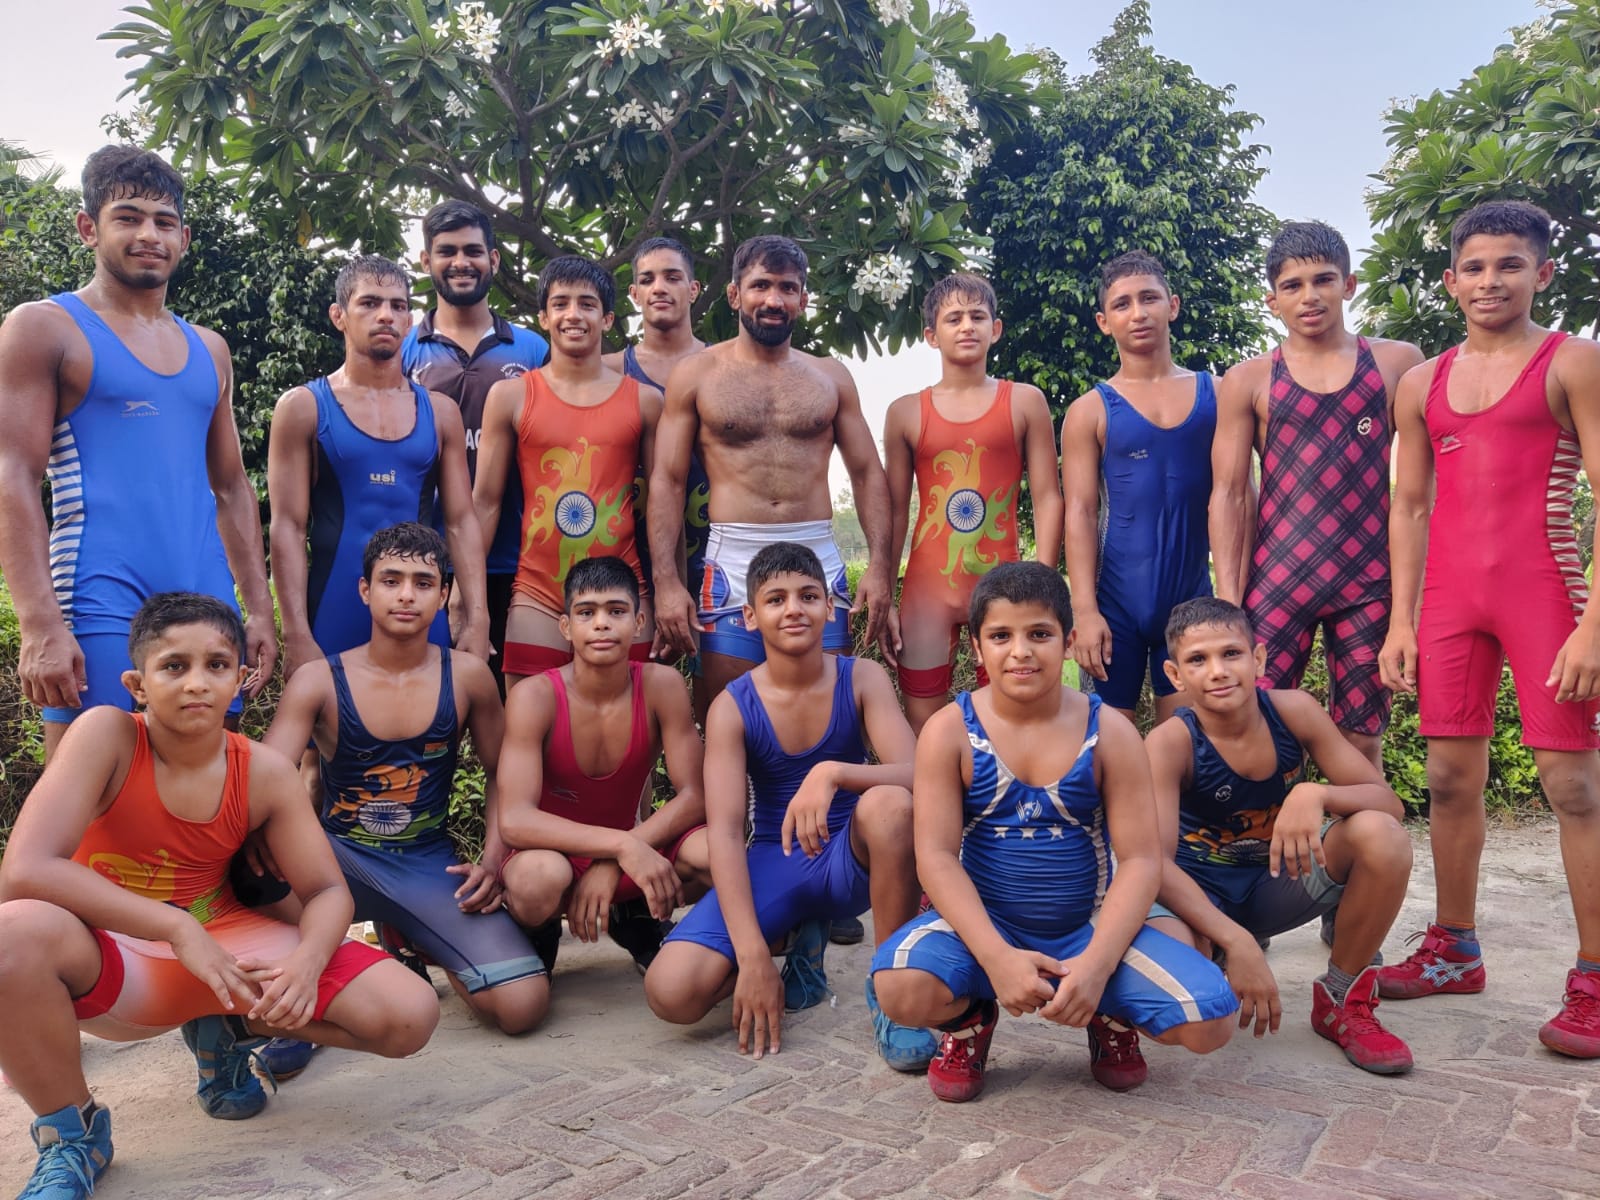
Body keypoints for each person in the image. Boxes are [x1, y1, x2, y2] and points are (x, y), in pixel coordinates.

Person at [0, 594, 438, 1200]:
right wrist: (176, 928)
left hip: (226, 955)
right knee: (11, 935)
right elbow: (24, 871)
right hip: (113, 955)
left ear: (239, 679)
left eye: (216, 665)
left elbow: (325, 891)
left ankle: (228, 1032)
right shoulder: (107, 736)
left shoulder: (263, 771)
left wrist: (306, 965)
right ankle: (74, 1137)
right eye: (173, 666)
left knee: (409, 1015)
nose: (196, 683)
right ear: (137, 685)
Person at [869, 562, 1236, 1103]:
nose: (1020, 652)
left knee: (1211, 1023)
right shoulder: (950, 731)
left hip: (1086, 928)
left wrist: (1097, 969)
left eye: (1039, 634)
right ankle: (969, 1023)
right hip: (986, 928)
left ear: (1068, 641)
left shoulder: (1109, 731)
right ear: (976, 648)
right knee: (898, 987)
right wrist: (996, 957)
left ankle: (1108, 1014)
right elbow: (936, 856)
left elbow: (1140, 860)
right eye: (1001, 636)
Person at [1378, 199, 1600, 1057]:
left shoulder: (1572, 362)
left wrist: (1592, 628)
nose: (1490, 281)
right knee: (1446, 778)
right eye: (1473, 266)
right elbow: (1409, 505)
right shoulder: (1421, 384)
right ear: (1450, 280)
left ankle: (1593, 977)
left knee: (1573, 786)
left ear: (1543, 272)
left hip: (1546, 593)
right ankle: (1454, 949)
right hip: (1449, 602)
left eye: (1509, 264)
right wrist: (1401, 621)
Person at [0, 146, 275, 761]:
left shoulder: (210, 349)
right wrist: (39, 623)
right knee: (90, 786)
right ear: (88, 227)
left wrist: (258, 609)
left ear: (184, 238)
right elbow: (13, 475)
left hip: (206, 593)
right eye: (127, 217)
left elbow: (231, 487)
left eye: (164, 221)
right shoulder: (44, 328)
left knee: (208, 783)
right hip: (99, 594)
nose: (149, 235)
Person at [247, 524, 548, 1079]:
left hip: (426, 863)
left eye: (423, 582)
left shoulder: (468, 677)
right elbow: (263, 780)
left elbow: (505, 777)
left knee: (521, 1005)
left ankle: (420, 938)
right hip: (334, 862)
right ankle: (309, 990)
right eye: (391, 580)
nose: (406, 595)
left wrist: (493, 859)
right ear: (365, 590)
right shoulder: (318, 680)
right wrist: (266, 839)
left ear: (444, 594)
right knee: (247, 873)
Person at [643, 543, 937, 1072]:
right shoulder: (732, 706)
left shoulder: (860, 678)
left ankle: (893, 991)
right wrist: (752, 956)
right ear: (750, 616)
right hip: (775, 860)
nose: (794, 609)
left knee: (892, 806)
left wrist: (833, 773)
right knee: (671, 992)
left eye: (808, 596)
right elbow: (726, 833)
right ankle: (793, 943)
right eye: (776, 599)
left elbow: (921, 775)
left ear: (829, 607)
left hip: (851, 857)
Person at [1148, 597, 1414, 1076]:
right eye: (1198, 659)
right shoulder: (1171, 743)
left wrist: (1316, 793)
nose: (1218, 671)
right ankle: (1214, 955)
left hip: (1275, 886)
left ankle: (1343, 999)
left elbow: (1389, 804)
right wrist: (1235, 940)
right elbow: (1156, 867)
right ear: (1175, 675)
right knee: (1190, 1013)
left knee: (1382, 836)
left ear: (1259, 659)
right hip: (1199, 902)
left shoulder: (1294, 712)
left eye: (1231, 653)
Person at [646, 235, 898, 702]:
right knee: (727, 710)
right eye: (761, 285)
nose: (774, 300)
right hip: (733, 558)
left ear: (803, 299)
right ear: (734, 294)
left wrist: (881, 567)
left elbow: (866, 473)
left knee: (828, 708)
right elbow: (668, 480)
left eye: (787, 288)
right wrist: (667, 583)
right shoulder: (697, 374)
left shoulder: (830, 376)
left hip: (816, 553)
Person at [1209, 221, 1423, 771]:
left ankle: (1357, 829)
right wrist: (1229, 603)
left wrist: (1407, 610)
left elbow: (1419, 494)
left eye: (1323, 280)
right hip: (1278, 582)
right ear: (1272, 300)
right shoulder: (1249, 378)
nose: (1310, 296)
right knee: (1258, 729)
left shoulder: (1397, 364)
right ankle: (1279, 830)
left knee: (1361, 739)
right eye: (1293, 285)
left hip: (1368, 583)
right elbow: (1230, 494)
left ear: (1348, 285)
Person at [268, 254, 490, 681]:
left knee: (429, 717)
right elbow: (288, 527)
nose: (385, 315)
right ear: (339, 316)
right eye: (369, 303)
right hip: (335, 609)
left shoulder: (440, 412)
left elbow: (461, 521)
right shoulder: (304, 408)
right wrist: (295, 633)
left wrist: (478, 618)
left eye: (397, 305)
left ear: (409, 322)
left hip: (421, 612)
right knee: (331, 719)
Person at [497, 556, 713, 975]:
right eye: (586, 612)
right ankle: (540, 929)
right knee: (536, 880)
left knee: (716, 852)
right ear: (565, 627)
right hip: (555, 856)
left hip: (631, 848)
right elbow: (515, 820)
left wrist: (619, 856)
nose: (601, 624)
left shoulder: (661, 685)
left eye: (616, 611)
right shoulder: (535, 697)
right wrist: (621, 847)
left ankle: (642, 917)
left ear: (638, 621)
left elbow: (696, 795)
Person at [882, 271, 1062, 735]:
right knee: (925, 727)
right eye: (954, 318)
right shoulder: (905, 412)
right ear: (931, 335)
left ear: (995, 329)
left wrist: (1044, 582)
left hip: (1005, 586)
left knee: (1013, 719)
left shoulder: (1025, 402)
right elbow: (895, 510)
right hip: (926, 590)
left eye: (977, 316)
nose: (967, 326)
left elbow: (1048, 497)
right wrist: (884, 586)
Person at [475, 255, 660, 687]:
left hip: (623, 592)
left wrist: (670, 589)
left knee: (627, 723)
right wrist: (468, 593)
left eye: (587, 304)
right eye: (560, 304)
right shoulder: (510, 396)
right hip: (537, 595)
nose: (573, 315)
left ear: (608, 319)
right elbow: (484, 503)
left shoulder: (646, 401)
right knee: (527, 719)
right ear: (543, 317)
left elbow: (663, 502)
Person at [1062, 251, 1215, 723]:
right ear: (1104, 322)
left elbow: (1239, 499)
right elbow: (1080, 513)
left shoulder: (1217, 393)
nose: (1138, 313)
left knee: (1188, 745)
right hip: (1114, 609)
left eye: (1149, 298)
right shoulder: (1089, 411)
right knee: (1107, 749)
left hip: (1191, 601)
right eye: (1122, 304)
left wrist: (1231, 597)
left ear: (1173, 305)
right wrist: (1084, 611)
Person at [403, 200, 550, 688]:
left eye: (472, 251)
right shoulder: (403, 349)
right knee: (431, 709)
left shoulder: (533, 349)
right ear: (426, 261)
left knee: (515, 715)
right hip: (424, 561)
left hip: (519, 562)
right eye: (447, 251)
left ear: (494, 259)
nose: (460, 262)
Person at [602, 237, 712, 710]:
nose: (659, 288)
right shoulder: (607, 372)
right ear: (633, 294)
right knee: (633, 712)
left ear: (694, 289)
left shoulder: (727, 366)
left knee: (718, 706)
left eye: (672, 277)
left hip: (715, 557)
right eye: (647, 279)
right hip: (630, 558)